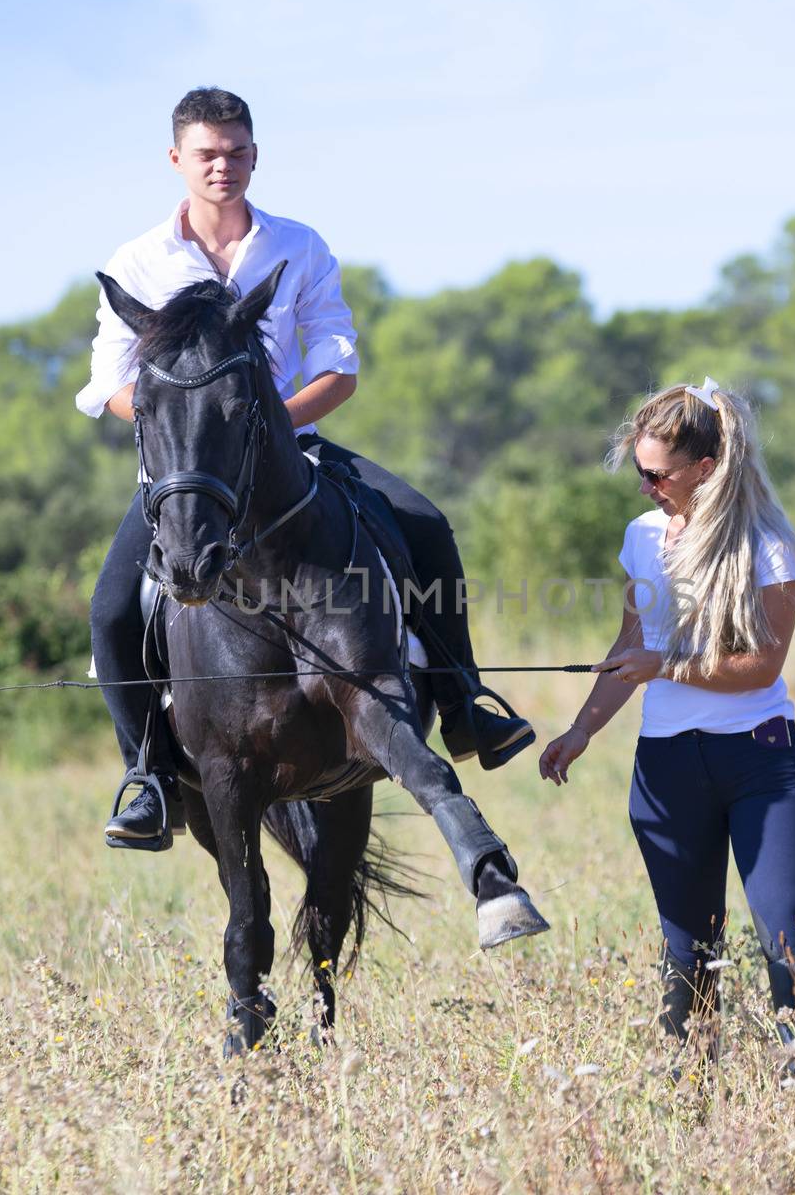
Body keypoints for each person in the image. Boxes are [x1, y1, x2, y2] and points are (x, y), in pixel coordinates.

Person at [78, 88, 534, 841]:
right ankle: (148, 776)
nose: (222, 166)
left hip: (294, 453)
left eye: (235, 152)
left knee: (426, 522)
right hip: (187, 476)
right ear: (176, 161)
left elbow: (338, 366)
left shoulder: (301, 247)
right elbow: (108, 382)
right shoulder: (138, 262)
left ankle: (464, 707)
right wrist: (190, 432)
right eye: (206, 154)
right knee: (110, 610)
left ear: (255, 155)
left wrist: (267, 429)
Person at [537, 379, 795, 1053]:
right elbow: (630, 647)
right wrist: (582, 729)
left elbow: (760, 668)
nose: (647, 487)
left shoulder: (769, 544)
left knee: (784, 930)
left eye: (657, 475)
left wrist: (664, 666)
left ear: (706, 469)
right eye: (640, 473)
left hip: (760, 761)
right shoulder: (643, 536)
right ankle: (690, 1085)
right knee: (687, 946)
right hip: (667, 765)